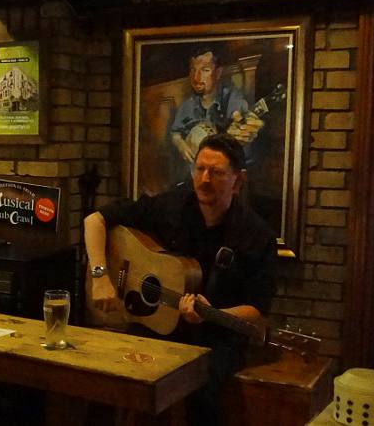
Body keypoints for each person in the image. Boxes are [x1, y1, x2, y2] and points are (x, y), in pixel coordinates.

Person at [84, 133, 277, 426]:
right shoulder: (172, 205)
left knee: (201, 388)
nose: (204, 179)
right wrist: (100, 276)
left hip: (216, 338)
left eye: (217, 172)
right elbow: (94, 221)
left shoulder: (256, 236)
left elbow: (257, 313)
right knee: (109, 376)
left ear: (238, 181)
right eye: (199, 169)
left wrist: (210, 314)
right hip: (157, 328)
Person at [170, 48, 264, 165]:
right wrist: (180, 144)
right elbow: (175, 132)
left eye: (205, 70)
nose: (196, 78)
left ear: (218, 73)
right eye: (193, 70)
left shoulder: (233, 99)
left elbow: (243, 127)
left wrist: (242, 133)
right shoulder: (187, 105)